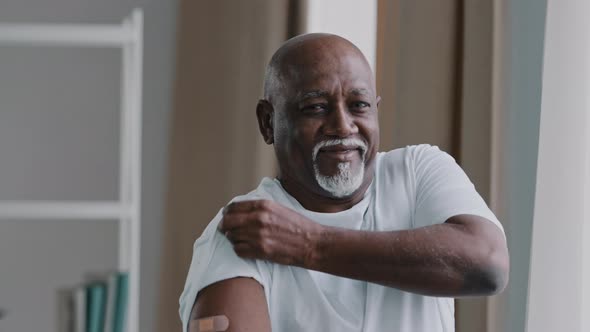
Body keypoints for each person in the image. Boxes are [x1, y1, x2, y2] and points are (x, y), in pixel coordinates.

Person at [179, 33, 509, 332]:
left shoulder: (418, 172)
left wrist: (311, 244)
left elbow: (488, 264)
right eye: (315, 108)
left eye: (359, 106)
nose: (342, 125)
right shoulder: (248, 229)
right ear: (268, 122)